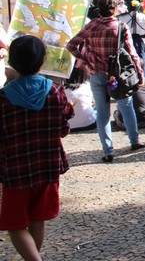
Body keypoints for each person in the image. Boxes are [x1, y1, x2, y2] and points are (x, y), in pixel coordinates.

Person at [0, 36, 73, 261]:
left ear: (11, 63)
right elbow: (63, 128)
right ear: (42, 62)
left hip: (15, 171)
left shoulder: (3, 98)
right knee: (37, 218)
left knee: (15, 225)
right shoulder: (56, 92)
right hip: (47, 167)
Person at [66, 0, 145, 162]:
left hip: (96, 74)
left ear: (99, 9)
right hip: (118, 76)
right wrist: (139, 73)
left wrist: (85, 60)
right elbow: (132, 53)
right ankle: (135, 141)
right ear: (115, 8)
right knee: (126, 107)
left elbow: (71, 45)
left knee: (102, 113)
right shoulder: (121, 26)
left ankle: (108, 151)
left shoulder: (91, 26)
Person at [117, 0, 145, 80]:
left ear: (127, 6)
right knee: (144, 66)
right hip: (142, 45)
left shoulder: (121, 18)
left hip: (126, 45)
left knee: (127, 65)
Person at [63, 66, 97, 131]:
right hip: (88, 124)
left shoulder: (62, 90)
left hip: (68, 125)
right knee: (98, 110)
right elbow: (94, 103)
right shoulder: (87, 86)